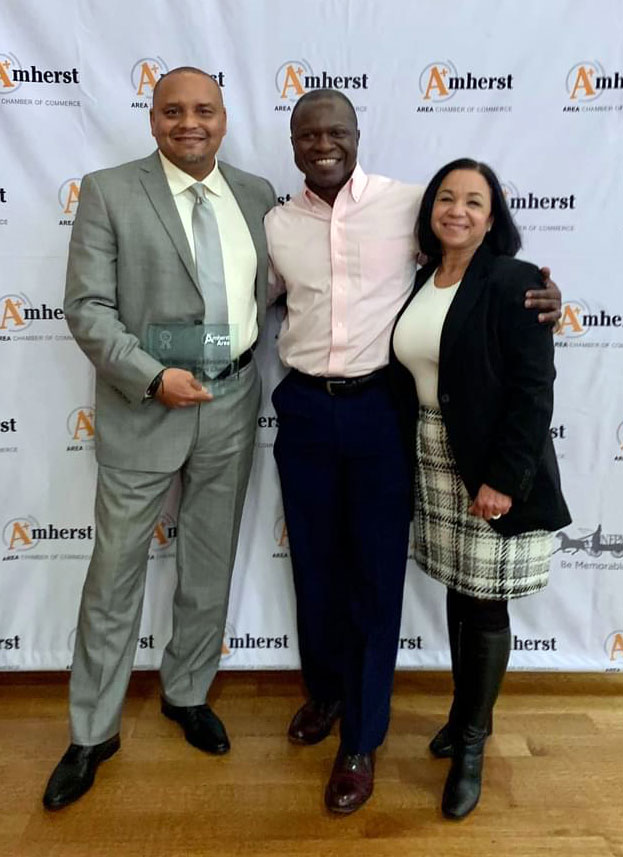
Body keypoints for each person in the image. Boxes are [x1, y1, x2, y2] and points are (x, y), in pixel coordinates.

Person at [265, 91, 562, 815]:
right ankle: (328, 694)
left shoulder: (407, 205)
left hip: (379, 412)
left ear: (358, 136)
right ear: (294, 142)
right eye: (309, 133)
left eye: (336, 130)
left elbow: (485, 266)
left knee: (371, 575)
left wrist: (548, 293)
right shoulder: (274, 222)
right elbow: (255, 298)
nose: (323, 143)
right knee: (314, 566)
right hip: (302, 406)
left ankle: (362, 740)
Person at [43, 67, 275, 810]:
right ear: (151, 120)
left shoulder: (256, 195)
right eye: (172, 111)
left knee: (207, 565)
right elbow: (86, 307)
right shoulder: (110, 190)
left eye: (203, 109)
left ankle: (186, 691)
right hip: (146, 403)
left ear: (224, 118)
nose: (189, 123)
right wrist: (152, 376)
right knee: (114, 576)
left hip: (233, 398)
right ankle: (92, 731)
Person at [391, 158, 571, 819]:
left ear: (492, 217)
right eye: (445, 197)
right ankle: (461, 713)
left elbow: (532, 390)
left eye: (473, 200)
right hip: (432, 456)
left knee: (485, 602)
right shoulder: (422, 278)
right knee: (457, 591)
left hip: (488, 462)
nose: (456, 210)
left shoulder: (513, 280)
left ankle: (472, 740)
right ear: (430, 210)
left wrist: (502, 477)